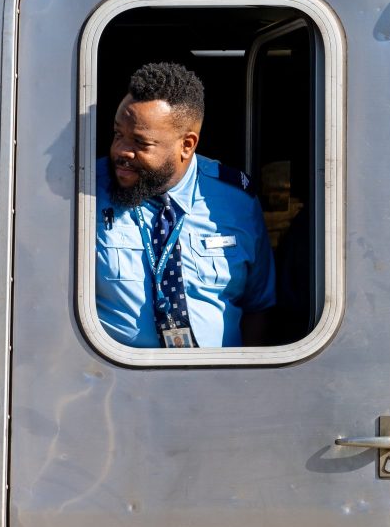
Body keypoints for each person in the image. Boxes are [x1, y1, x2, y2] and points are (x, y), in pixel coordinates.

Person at [96, 62, 275, 348]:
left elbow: (258, 305)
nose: (121, 151)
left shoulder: (237, 200)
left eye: (141, 143)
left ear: (187, 145)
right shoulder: (87, 191)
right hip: (116, 374)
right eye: (118, 134)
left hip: (219, 374)